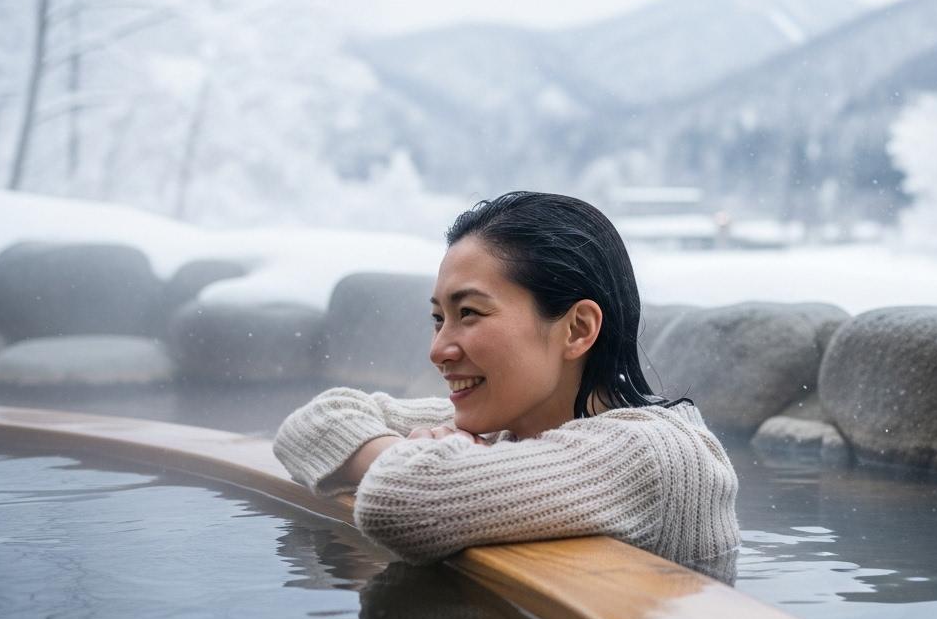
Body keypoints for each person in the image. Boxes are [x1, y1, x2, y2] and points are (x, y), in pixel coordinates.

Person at [272, 191, 740, 581]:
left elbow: (400, 501)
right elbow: (314, 422)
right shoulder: (514, 424)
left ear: (576, 329)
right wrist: (434, 452)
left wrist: (428, 460)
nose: (438, 349)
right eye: (439, 319)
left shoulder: (654, 453)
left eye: (469, 313)